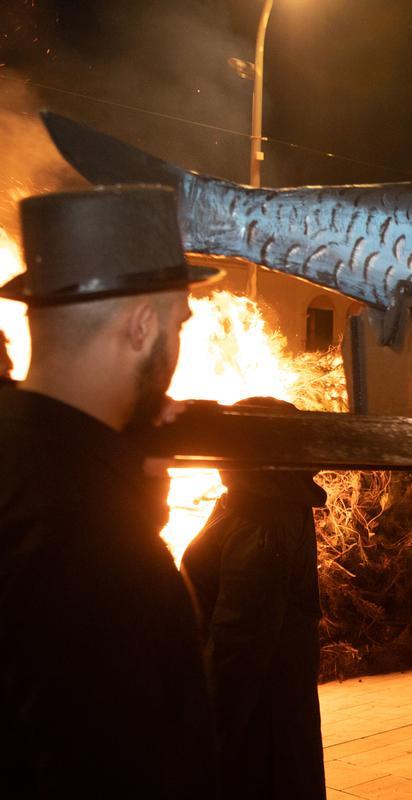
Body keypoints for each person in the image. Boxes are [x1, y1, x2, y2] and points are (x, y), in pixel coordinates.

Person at [0, 186, 222, 795]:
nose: (178, 345)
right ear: (142, 326)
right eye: (178, 322)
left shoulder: (40, 472)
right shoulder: (93, 543)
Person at [180, 398, 328, 798]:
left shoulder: (263, 518)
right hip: (265, 721)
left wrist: (205, 740)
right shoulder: (249, 503)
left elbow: (240, 643)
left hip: (259, 735)